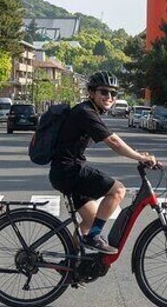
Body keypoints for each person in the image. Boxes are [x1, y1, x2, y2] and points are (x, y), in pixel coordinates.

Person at [49, 71, 158, 254]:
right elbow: (113, 142)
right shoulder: (86, 112)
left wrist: (138, 154)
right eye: (104, 92)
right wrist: (141, 157)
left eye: (113, 94)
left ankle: (72, 265)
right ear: (92, 92)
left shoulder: (89, 110)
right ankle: (93, 238)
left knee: (91, 220)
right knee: (118, 190)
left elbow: (113, 140)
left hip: (65, 171)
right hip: (69, 171)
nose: (109, 97)